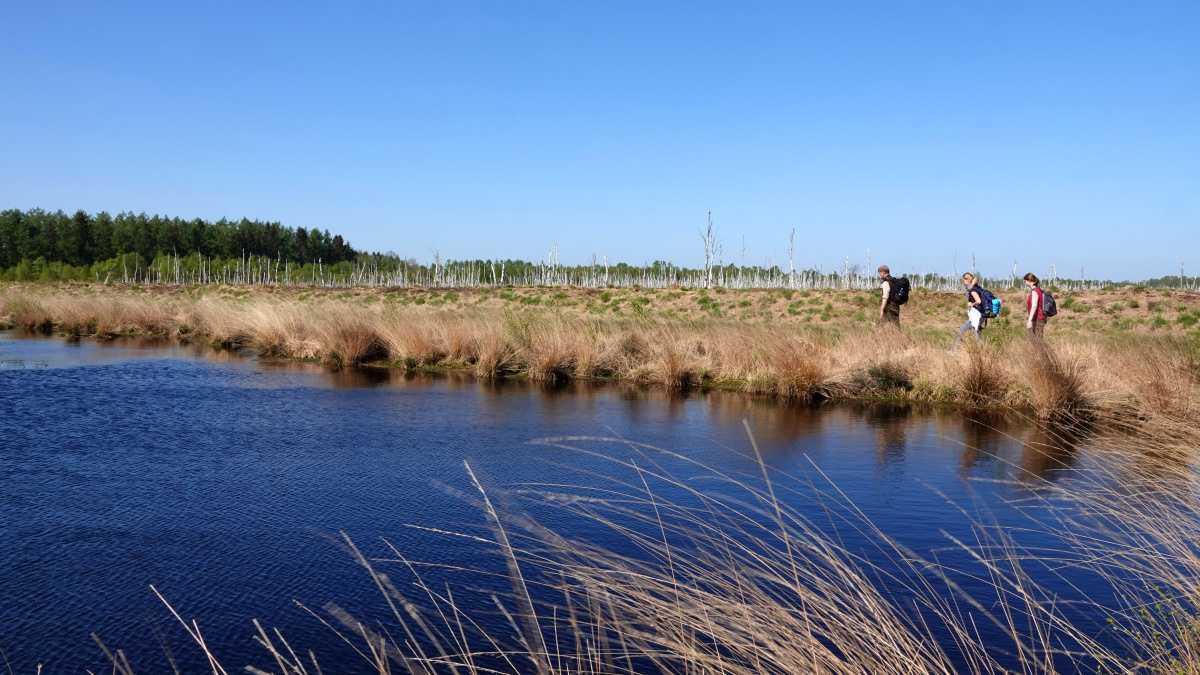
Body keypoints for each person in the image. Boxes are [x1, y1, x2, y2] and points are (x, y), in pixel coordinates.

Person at [953, 272, 987, 348]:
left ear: (969, 280)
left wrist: (971, 304)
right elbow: (975, 279)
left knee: (963, 330)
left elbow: (978, 301)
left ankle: (953, 350)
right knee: (976, 333)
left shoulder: (972, 290)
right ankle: (984, 350)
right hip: (980, 315)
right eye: (963, 279)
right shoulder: (974, 287)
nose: (963, 280)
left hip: (976, 316)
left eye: (965, 279)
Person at [1023, 272, 1047, 338]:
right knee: (1037, 340)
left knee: (1036, 340)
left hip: (1037, 318)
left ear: (1032, 281)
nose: (1024, 281)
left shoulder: (1034, 291)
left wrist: (1029, 320)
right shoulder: (1039, 290)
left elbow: (1034, 306)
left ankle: (1046, 349)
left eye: (1026, 280)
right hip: (1040, 318)